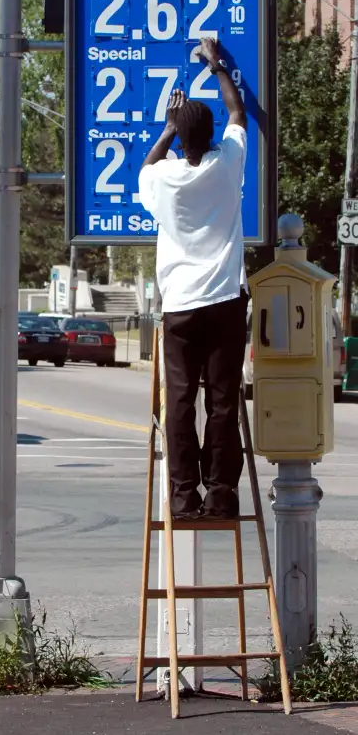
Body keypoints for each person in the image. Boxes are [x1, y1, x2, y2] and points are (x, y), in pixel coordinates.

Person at [138, 37, 248, 521]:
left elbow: (146, 166)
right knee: (223, 399)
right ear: (212, 136)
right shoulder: (228, 164)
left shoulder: (164, 179)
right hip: (225, 301)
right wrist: (217, 64)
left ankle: (183, 497)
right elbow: (237, 112)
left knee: (179, 401)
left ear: (181, 141)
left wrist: (166, 128)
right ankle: (221, 491)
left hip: (180, 305)